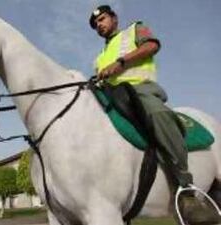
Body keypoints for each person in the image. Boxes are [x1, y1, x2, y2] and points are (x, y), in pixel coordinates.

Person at [89, 5, 219, 224]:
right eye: (96, 25)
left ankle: (187, 187)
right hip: (115, 98)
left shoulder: (134, 30)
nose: (99, 25)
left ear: (114, 18)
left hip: (141, 90)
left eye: (102, 19)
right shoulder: (99, 57)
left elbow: (152, 46)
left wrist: (120, 63)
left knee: (158, 114)